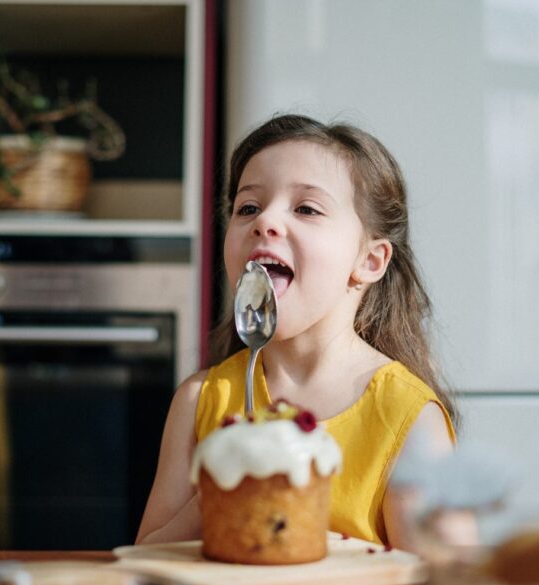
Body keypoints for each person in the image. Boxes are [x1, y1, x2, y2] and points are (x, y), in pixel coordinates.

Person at [136, 114, 457, 548]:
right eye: (247, 207)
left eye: (306, 208)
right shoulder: (200, 402)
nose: (264, 221)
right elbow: (145, 562)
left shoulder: (408, 417)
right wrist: (223, 492)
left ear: (370, 261)